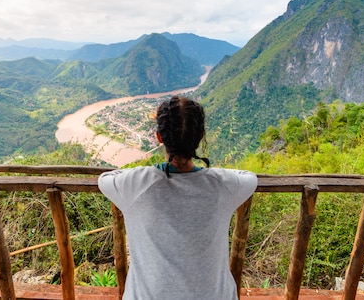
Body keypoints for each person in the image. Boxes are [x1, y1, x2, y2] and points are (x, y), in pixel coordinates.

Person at [98, 95, 258, 300]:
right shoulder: (222, 186)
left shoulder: (135, 185)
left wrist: (145, 170)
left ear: (159, 137)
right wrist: (210, 173)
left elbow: (105, 179)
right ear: (200, 136)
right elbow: (250, 178)